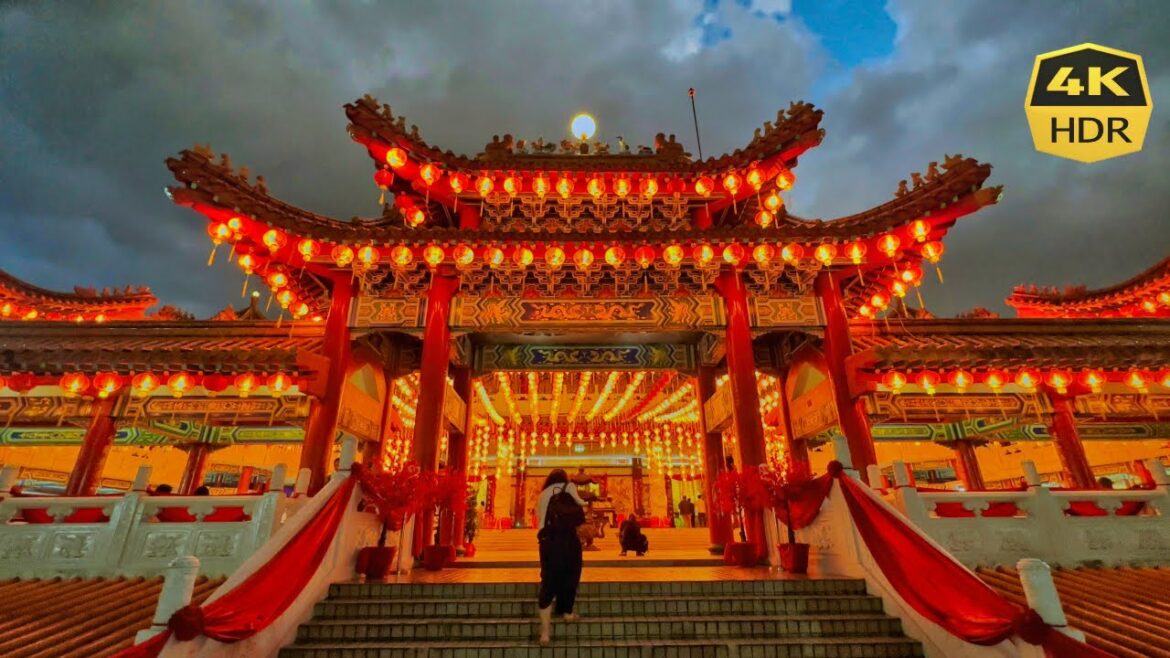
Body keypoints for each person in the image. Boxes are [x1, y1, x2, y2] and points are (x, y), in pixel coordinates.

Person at [534, 468, 588, 645]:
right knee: (571, 575)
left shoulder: (542, 495)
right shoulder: (569, 487)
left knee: (548, 580)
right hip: (568, 539)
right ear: (564, 479)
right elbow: (580, 503)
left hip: (547, 541)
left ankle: (545, 632)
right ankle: (567, 612)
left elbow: (540, 519)